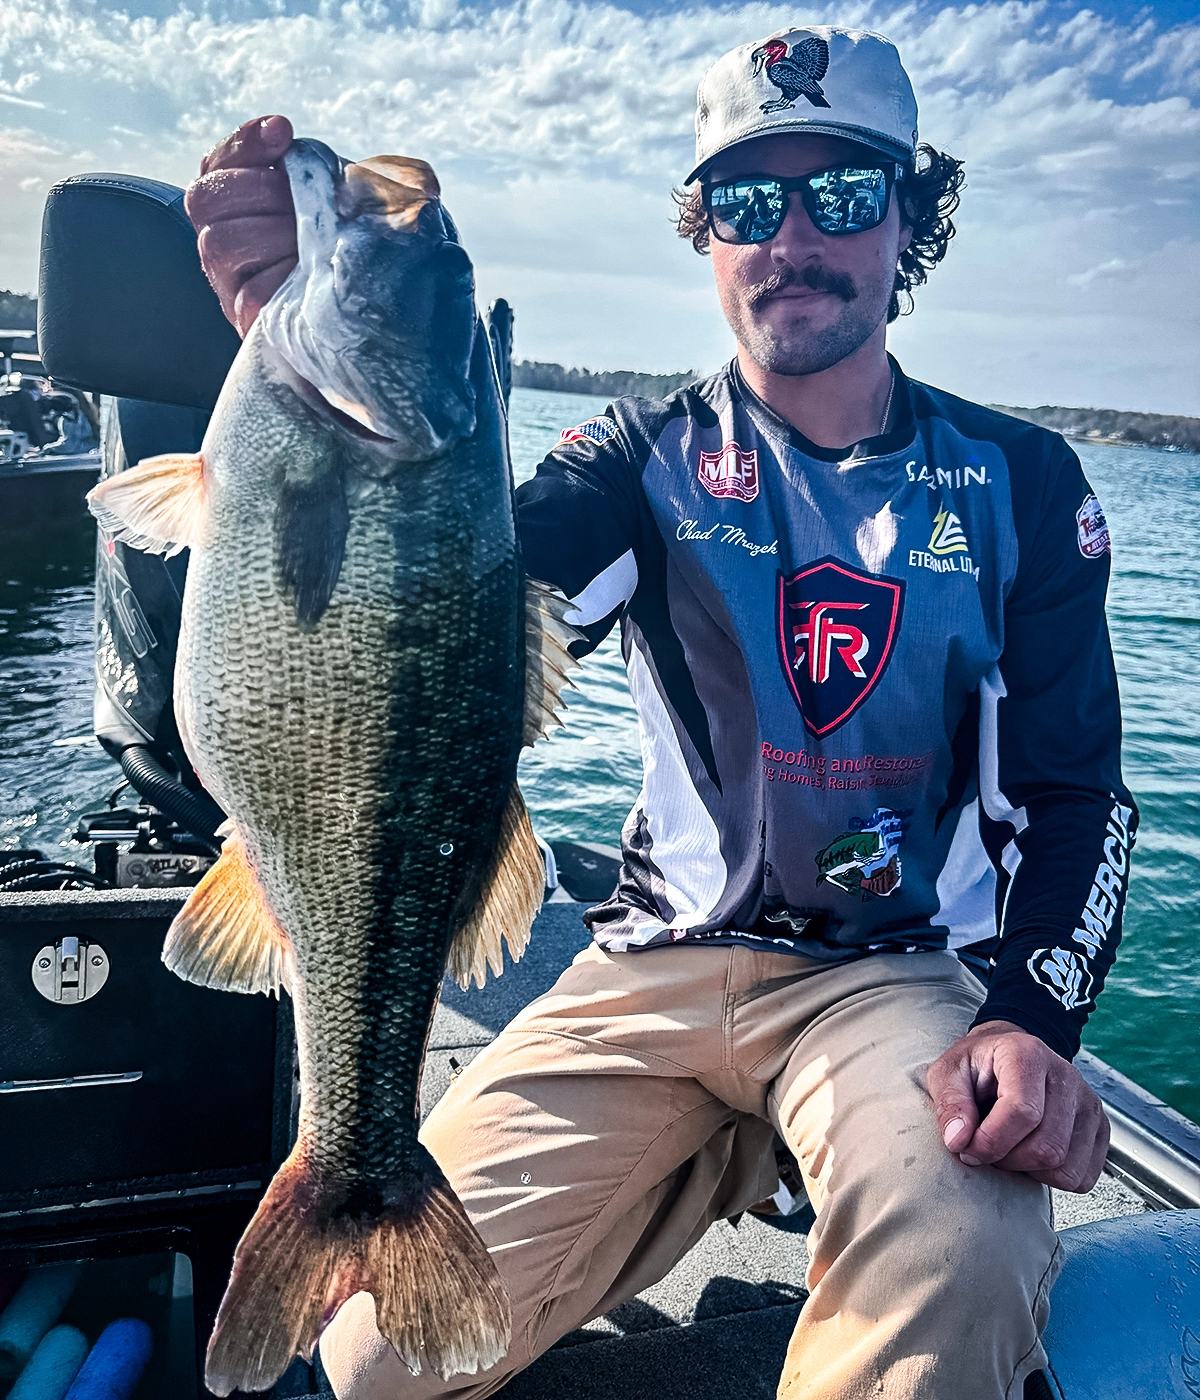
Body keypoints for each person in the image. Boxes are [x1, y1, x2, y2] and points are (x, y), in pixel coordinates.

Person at [186, 25, 1134, 1400]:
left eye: (846, 195)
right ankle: (698, 1152)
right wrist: (299, 385)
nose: (793, 236)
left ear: (909, 222)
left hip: (897, 977)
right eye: (749, 202)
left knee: (956, 1262)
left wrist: (1033, 1026)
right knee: (380, 1352)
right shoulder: (634, 456)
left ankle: (778, 1156)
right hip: (654, 968)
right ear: (706, 235)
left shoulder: (1024, 482)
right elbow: (453, 624)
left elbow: (1081, 799)